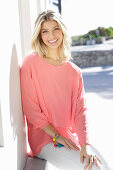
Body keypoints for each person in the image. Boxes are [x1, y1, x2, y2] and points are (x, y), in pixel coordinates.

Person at [20, 10, 111, 170]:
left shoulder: (74, 71)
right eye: (45, 31)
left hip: (69, 137)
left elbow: (80, 111)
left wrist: (85, 144)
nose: (51, 35)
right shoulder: (30, 63)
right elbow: (31, 110)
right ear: (40, 35)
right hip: (46, 140)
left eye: (56, 28)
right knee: (93, 168)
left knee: (104, 165)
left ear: (62, 30)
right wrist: (57, 136)